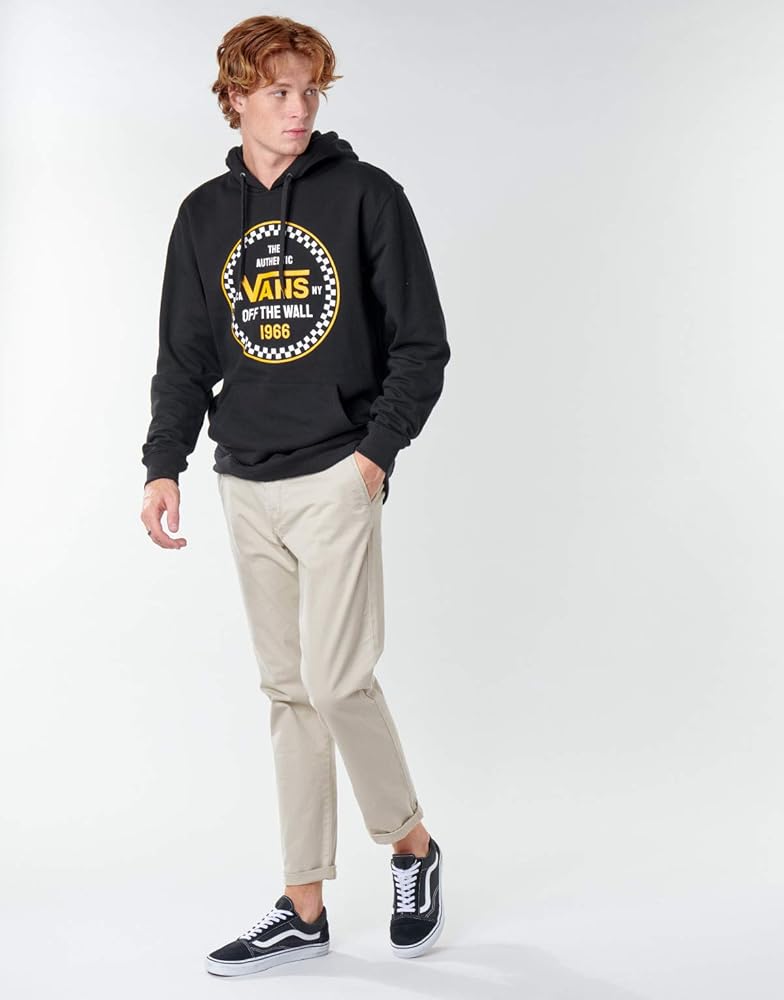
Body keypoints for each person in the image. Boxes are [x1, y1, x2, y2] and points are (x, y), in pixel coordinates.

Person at [139, 14, 450, 977]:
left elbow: (422, 344)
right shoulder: (203, 216)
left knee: (337, 680)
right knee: (287, 692)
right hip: (244, 481)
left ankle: (411, 847)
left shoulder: (366, 195)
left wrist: (376, 455)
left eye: (310, 89)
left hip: (336, 473)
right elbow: (185, 354)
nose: (299, 107)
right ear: (235, 97)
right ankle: (304, 905)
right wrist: (163, 463)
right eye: (278, 91)